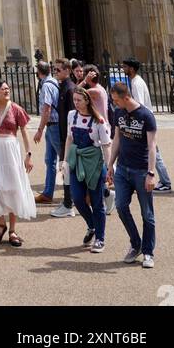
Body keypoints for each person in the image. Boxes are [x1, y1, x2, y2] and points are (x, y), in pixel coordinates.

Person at [0, 79, 35, 247]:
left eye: (8, 88)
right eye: (3, 89)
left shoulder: (16, 108)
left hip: (12, 151)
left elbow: (24, 132)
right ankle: (1, 222)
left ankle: (12, 230)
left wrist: (29, 155)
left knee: (13, 189)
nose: (7, 90)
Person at [108, 79, 157, 268]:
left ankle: (148, 252)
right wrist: (110, 164)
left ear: (126, 97)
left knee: (147, 214)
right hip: (122, 169)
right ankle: (135, 243)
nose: (114, 104)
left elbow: (152, 146)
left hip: (141, 169)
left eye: (116, 100)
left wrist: (151, 173)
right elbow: (117, 138)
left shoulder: (146, 115)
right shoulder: (119, 113)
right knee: (120, 206)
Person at [65, 86, 112, 253]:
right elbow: (69, 138)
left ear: (87, 101)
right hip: (77, 160)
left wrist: (109, 167)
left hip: (94, 163)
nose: (76, 103)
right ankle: (92, 225)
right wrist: (65, 161)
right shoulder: (72, 115)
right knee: (77, 198)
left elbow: (106, 146)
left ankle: (100, 238)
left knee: (97, 202)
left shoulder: (99, 121)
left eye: (79, 100)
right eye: (74, 100)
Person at [122, 59, 172, 191]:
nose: (123, 69)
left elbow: (139, 104)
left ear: (132, 69)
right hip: (144, 121)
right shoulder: (134, 81)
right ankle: (164, 181)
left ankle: (166, 182)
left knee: (153, 151)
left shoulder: (136, 83)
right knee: (153, 151)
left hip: (144, 122)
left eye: (125, 66)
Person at [83, 64, 114, 216]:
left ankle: (106, 193)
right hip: (100, 128)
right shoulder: (101, 88)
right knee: (96, 165)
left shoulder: (94, 91)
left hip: (100, 129)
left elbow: (76, 94)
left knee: (97, 166)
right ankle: (105, 193)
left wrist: (83, 80)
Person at [51, 59, 76, 218]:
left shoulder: (70, 89)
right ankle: (107, 194)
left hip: (68, 138)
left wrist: (70, 139)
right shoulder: (63, 87)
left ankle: (68, 204)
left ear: (67, 70)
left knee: (66, 169)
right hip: (63, 135)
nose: (55, 72)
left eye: (58, 70)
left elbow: (74, 116)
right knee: (68, 170)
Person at [32, 61, 59, 204]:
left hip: (53, 127)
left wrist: (39, 130)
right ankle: (48, 193)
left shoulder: (47, 86)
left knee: (65, 161)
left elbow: (47, 109)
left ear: (38, 72)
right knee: (50, 160)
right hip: (51, 127)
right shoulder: (53, 82)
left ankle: (81, 193)